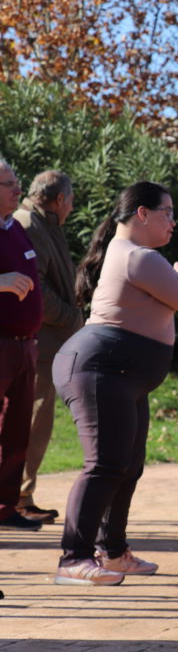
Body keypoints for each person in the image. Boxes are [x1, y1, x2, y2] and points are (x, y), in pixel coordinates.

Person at [53, 181, 178, 584]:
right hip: (101, 368)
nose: (173, 221)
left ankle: (113, 551)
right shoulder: (139, 256)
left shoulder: (132, 254)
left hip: (121, 374)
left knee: (128, 466)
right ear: (142, 213)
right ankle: (73, 559)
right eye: (167, 212)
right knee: (105, 464)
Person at [12, 171, 81, 524]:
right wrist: (69, 316)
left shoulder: (42, 223)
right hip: (38, 341)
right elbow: (35, 285)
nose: (72, 208)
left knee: (34, 422)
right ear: (59, 199)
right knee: (31, 423)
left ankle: (21, 495)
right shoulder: (29, 224)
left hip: (45, 342)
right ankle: (17, 498)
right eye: (71, 201)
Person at [0, 160, 44, 533]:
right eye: (9, 183)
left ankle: (5, 506)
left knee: (17, 433)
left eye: (17, 182)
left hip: (24, 347)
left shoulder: (15, 227)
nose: (18, 189)